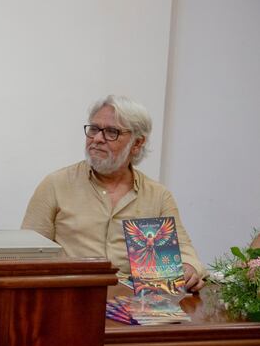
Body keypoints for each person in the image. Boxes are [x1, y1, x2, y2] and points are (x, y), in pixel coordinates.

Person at [21, 94, 206, 291]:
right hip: (71, 299)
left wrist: (188, 267)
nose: (97, 139)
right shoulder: (55, 185)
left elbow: (184, 251)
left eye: (111, 132)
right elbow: (27, 254)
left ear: (137, 144)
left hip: (137, 306)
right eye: (93, 129)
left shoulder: (157, 196)